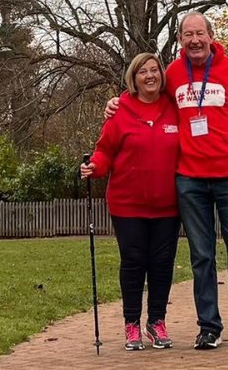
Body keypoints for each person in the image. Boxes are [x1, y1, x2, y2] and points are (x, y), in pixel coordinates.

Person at [106, 12, 228, 350]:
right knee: (202, 256)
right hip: (190, 181)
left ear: (211, 35)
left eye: (200, 33)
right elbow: (144, 95)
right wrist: (116, 103)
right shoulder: (173, 75)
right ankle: (209, 326)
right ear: (180, 40)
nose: (194, 40)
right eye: (187, 35)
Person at [81, 53, 180, 351]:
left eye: (155, 70)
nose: (150, 76)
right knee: (134, 262)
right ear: (133, 79)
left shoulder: (174, 108)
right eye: (143, 72)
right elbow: (104, 151)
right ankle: (131, 324)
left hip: (169, 205)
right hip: (128, 205)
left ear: (162, 75)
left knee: (162, 264)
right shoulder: (119, 111)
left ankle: (157, 321)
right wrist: (94, 167)